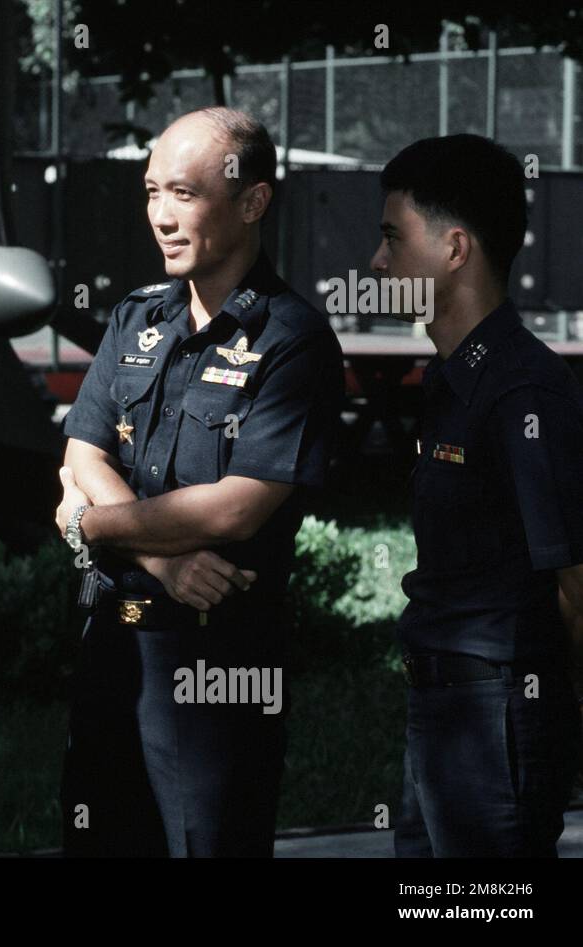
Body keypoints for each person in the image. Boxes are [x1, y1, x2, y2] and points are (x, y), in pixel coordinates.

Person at [54, 107, 343, 857]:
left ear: (252, 202)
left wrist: (90, 525)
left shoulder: (294, 339)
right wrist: (163, 559)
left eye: (184, 193)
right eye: (152, 191)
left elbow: (235, 508)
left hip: (220, 666)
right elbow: (83, 454)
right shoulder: (135, 319)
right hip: (112, 645)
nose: (161, 215)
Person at [372, 135, 583, 857]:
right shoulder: (452, 380)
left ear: (454, 249)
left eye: (393, 238)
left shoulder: (521, 389)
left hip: (496, 720)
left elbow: (575, 581)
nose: (377, 262)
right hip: (447, 710)